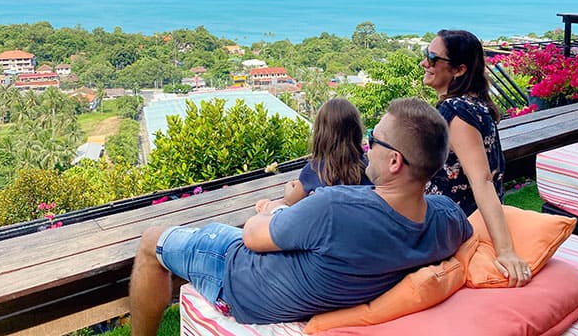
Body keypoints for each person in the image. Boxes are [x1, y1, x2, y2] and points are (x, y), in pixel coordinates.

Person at [128, 98, 473, 335]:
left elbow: (251, 235)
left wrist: (273, 210)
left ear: (395, 161)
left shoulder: (336, 208)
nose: (368, 146)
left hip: (237, 277)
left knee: (151, 241)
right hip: (305, 277)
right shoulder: (447, 220)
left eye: (374, 140)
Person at [421, 29, 531, 287]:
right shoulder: (475, 104)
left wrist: (505, 251)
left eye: (433, 58)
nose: (425, 62)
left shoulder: (456, 112)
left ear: (459, 70)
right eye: (426, 54)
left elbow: (482, 180)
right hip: (457, 217)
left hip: (452, 224)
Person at [258, 98, 371, 211]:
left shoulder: (314, 170)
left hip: (328, 226)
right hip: (360, 225)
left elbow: (289, 201)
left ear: (321, 133)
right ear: (357, 130)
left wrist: (289, 185)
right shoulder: (367, 166)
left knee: (266, 207)